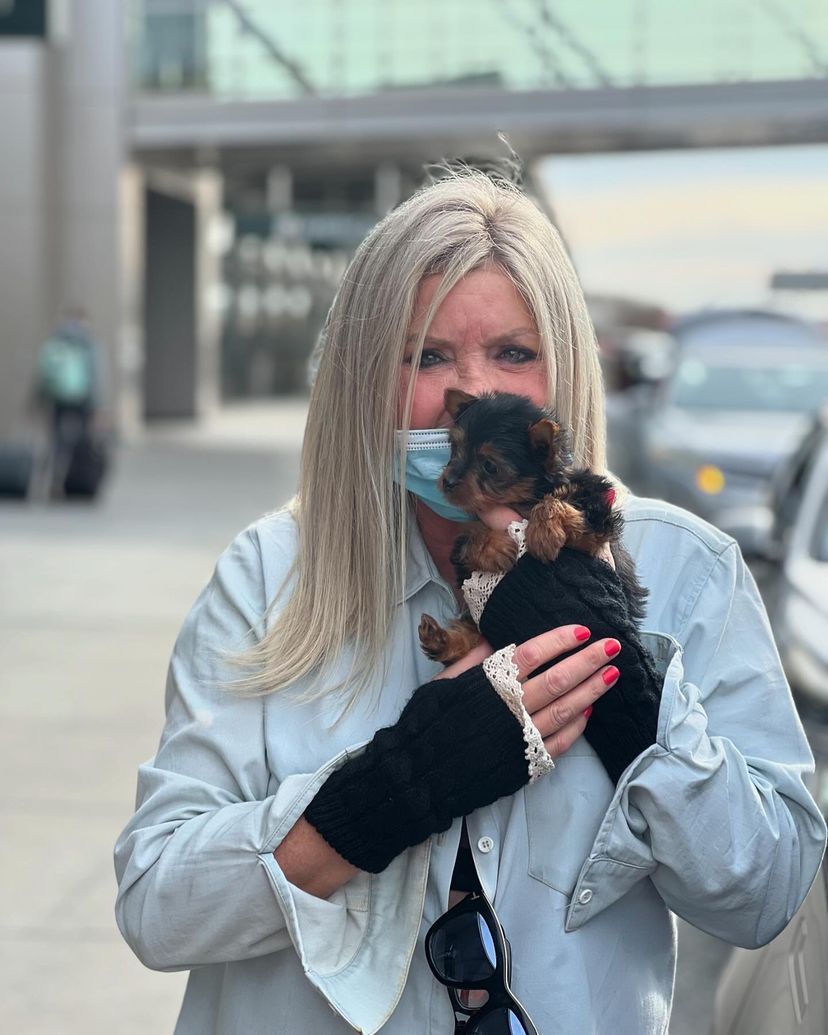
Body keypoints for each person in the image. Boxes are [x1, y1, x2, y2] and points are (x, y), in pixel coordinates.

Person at [114, 170, 826, 1034]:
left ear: (564, 369)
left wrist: (635, 703)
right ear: (365, 376)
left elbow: (765, 894)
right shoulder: (270, 576)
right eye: (426, 356)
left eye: (514, 353)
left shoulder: (685, 568)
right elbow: (157, 902)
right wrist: (388, 791)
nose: (474, 392)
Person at [34, 307, 106, 498]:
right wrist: (97, 406)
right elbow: (96, 377)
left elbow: (43, 373)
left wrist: (39, 399)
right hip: (82, 400)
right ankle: (75, 479)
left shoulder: (56, 340)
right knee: (82, 441)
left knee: (56, 441)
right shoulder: (88, 343)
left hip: (58, 399)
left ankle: (50, 480)